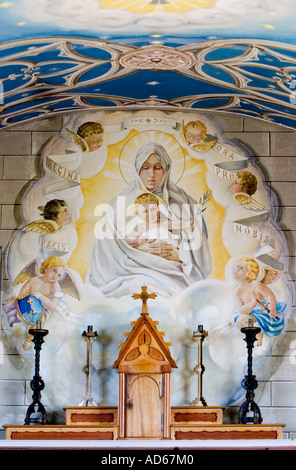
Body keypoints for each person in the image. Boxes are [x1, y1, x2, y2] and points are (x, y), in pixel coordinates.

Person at [87, 142, 211, 297]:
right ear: (137, 169)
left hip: (173, 270)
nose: (151, 174)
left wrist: (179, 254)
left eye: (157, 167)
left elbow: (199, 249)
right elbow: (105, 248)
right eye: (145, 167)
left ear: (166, 170)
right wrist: (139, 250)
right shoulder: (119, 201)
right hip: (129, 270)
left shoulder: (183, 201)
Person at [4, 256, 68, 350]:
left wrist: (41, 297)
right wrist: (17, 300)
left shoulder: (55, 286)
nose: (55, 276)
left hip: (42, 309)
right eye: (54, 271)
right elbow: (22, 294)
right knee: (14, 311)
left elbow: (51, 306)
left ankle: (28, 340)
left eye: (59, 275)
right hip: (27, 305)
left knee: (39, 319)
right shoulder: (34, 280)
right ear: (46, 267)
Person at [125, 192, 196, 263]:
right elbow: (127, 240)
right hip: (152, 252)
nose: (150, 214)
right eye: (145, 211)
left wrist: (188, 223)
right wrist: (140, 241)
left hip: (170, 249)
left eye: (153, 209)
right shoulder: (141, 227)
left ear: (158, 209)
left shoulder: (163, 222)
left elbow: (175, 224)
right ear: (138, 214)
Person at [233, 256, 285, 346]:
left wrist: (272, 309)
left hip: (262, 311)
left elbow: (270, 295)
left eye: (241, 268)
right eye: (238, 266)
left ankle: (258, 333)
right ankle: (255, 334)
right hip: (248, 311)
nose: (236, 269)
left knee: (243, 319)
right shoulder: (237, 291)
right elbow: (241, 309)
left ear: (248, 273)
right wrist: (252, 303)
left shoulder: (256, 285)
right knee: (240, 321)